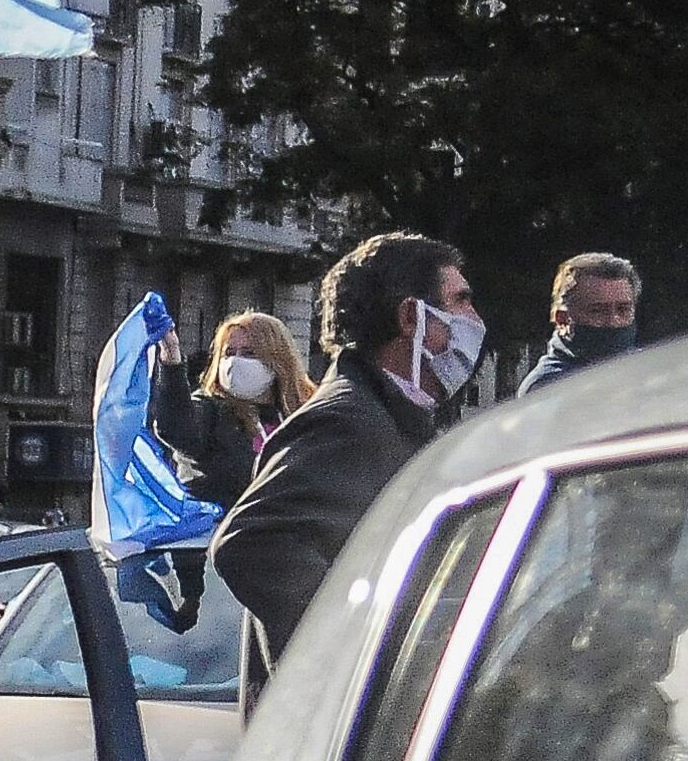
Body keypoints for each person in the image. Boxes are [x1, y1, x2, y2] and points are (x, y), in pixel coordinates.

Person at [209, 231, 476, 697]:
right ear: (411, 317)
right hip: (335, 737)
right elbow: (251, 544)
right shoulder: (349, 421)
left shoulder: (390, 415)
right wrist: (359, 658)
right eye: (460, 302)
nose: (473, 320)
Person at [150, 308, 313, 513]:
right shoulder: (211, 409)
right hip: (218, 535)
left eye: (249, 353)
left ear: (278, 360)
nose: (236, 361)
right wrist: (171, 358)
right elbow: (177, 427)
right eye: (228, 352)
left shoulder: (303, 414)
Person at [518, 252, 641, 395]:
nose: (613, 321)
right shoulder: (549, 387)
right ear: (562, 319)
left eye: (623, 310)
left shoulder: (647, 370)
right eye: (597, 311)